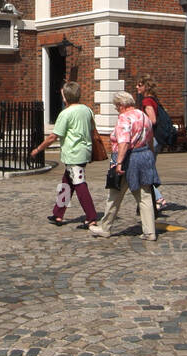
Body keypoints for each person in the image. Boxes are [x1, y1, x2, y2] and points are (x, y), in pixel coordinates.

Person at [89, 92, 159, 241]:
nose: (117, 109)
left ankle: (105, 227)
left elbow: (124, 142)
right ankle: (150, 231)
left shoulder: (124, 118)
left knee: (115, 194)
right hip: (144, 155)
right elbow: (150, 138)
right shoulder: (143, 115)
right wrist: (151, 156)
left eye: (116, 107)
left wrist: (119, 163)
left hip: (128, 159)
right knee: (145, 196)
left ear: (121, 105)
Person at [31, 81, 99, 229]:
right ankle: (58, 213)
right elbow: (92, 129)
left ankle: (91, 217)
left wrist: (38, 149)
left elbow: (53, 137)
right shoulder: (87, 110)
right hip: (84, 151)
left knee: (80, 184)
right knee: (66, 183)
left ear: (65, 97)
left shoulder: (66, 113)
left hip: (74, 154)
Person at [135, 75, 169, 212]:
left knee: (145, 171)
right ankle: (147, 203)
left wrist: (140, 121)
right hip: (154, 139)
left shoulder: (147, 101)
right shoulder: (152, 99)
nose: (137, 87)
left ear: (146, 86)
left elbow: (152, 120)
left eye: (139, 85)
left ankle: (158, 199)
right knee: (147, 171)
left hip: (151, 139)